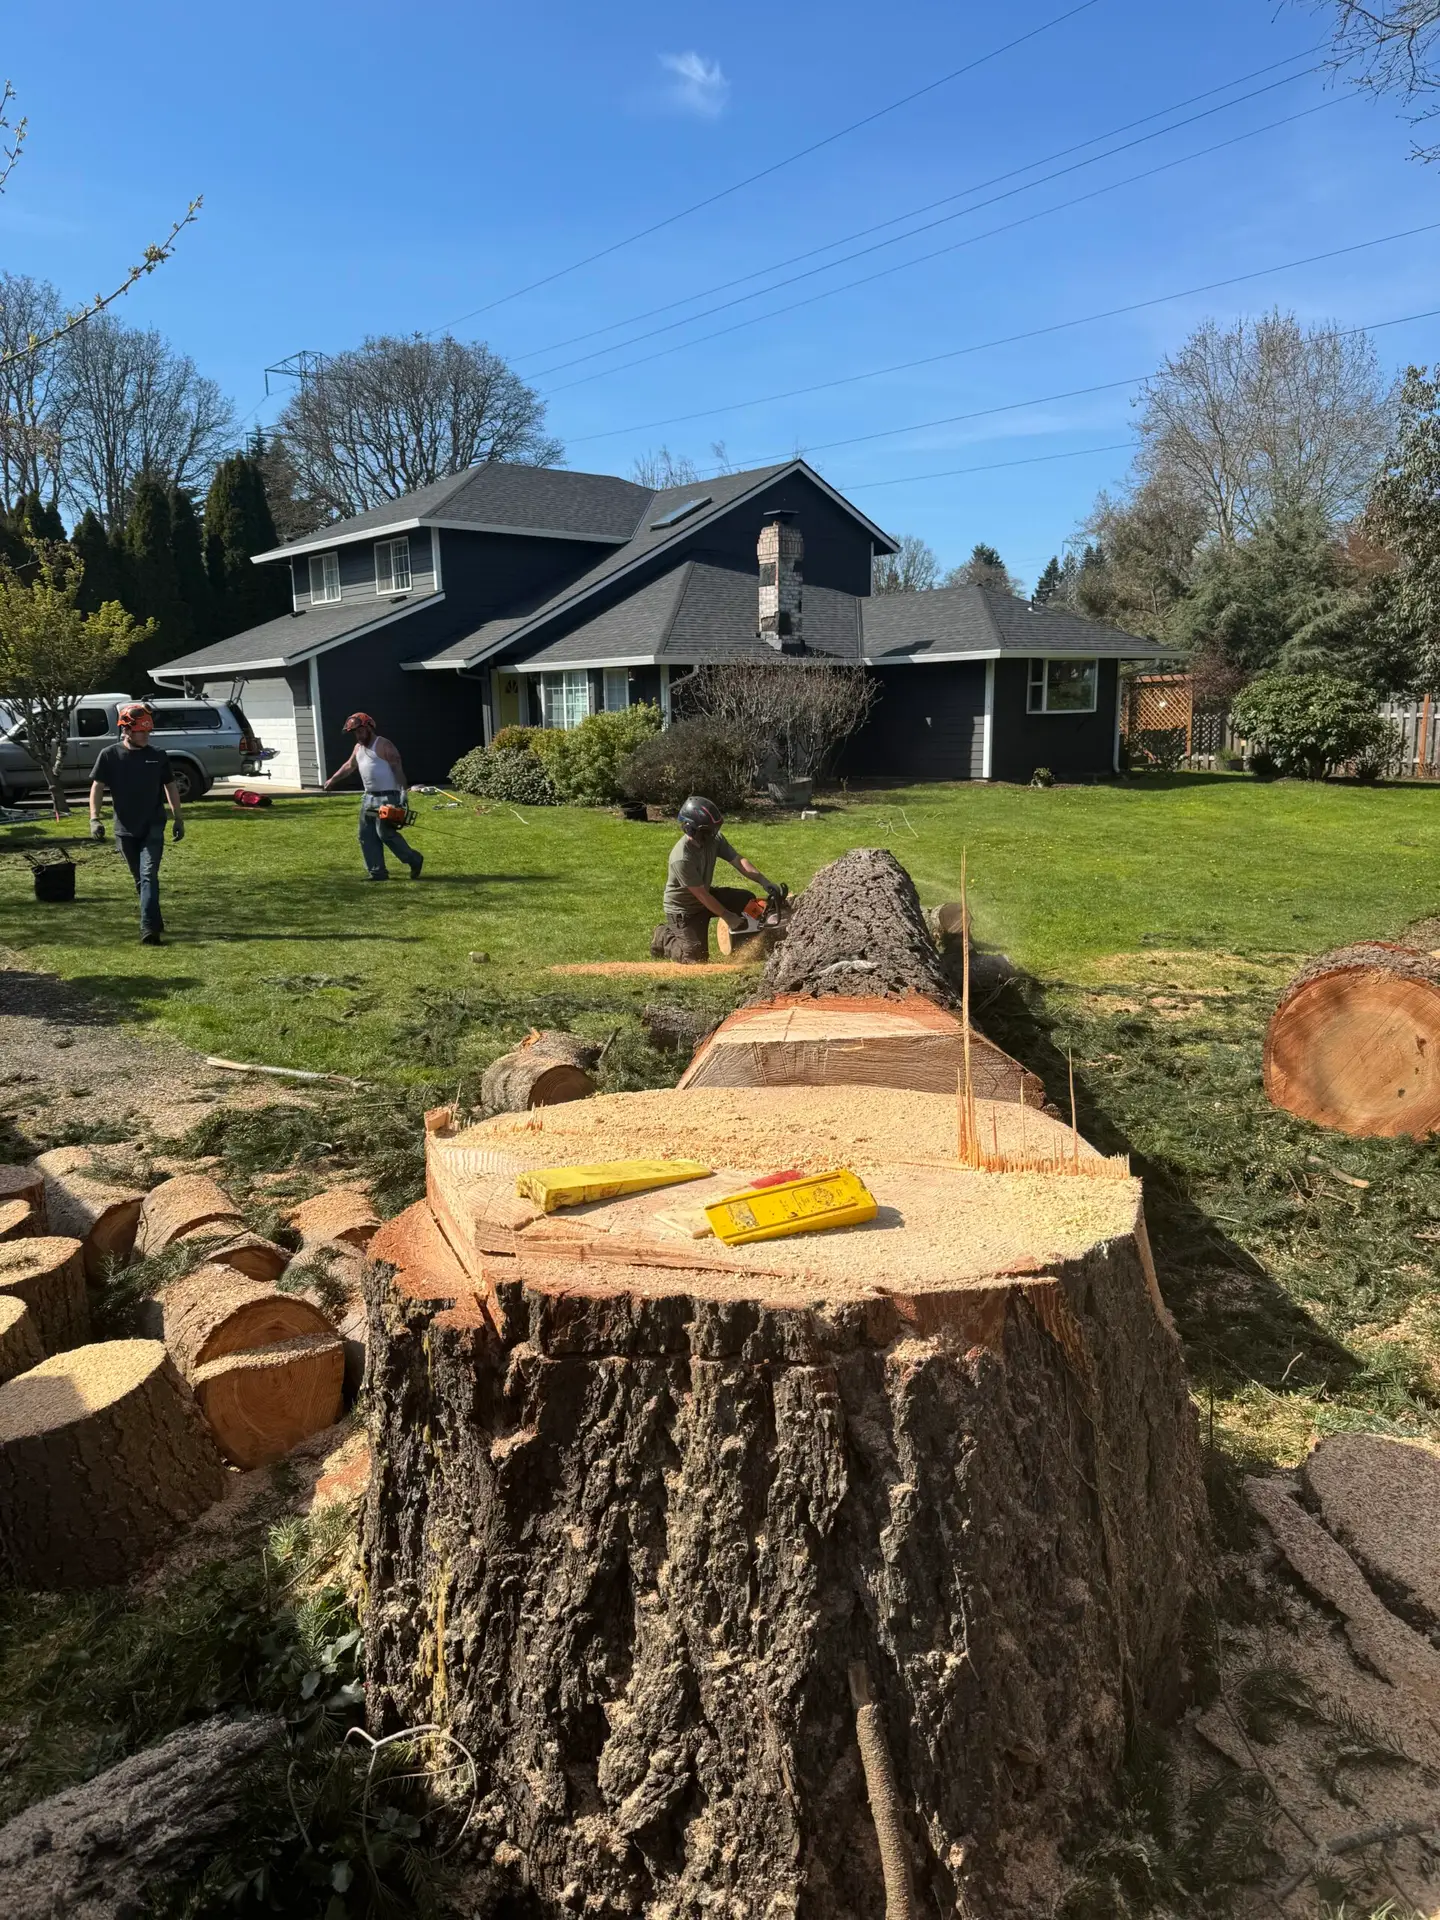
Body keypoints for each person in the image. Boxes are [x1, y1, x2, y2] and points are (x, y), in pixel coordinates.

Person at [88, 703, 184, 946]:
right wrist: (94, 818)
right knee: (140, 879)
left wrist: (178, 817)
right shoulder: (109, 755)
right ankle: (155, 918)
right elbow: (97, 787)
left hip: (153, 823)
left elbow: (170, 786)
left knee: (149, 874)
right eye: (143, 732)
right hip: (125, 828)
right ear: (127, 730)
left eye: (149, 732)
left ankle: (148, 928)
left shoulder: (157, 756)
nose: (147, 736)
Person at [650, 795, 782, 962]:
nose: (713, 834)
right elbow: (701, 896)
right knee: (695, 957)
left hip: (704, 895)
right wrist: (727, 916)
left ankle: (753, 939)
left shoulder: (713, 840)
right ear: (691, 829)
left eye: (714, 830)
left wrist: (765, 882)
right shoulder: (682, 858)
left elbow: (739, 861)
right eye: (708, 831)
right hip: (685, 910)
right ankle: (664, 936)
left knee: (745, 899)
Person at [323, 712, 423, 881]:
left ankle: (414, 859)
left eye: (360, 731)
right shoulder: (358, 747)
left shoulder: (384, 744)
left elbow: (397, 768)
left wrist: (403, 792)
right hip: (369, 798)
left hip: (388, 797)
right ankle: (377, 872)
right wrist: (332, 779)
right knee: (366, 835)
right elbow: (349, 765)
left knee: (385, 833)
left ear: (369, 727)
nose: (358, 735)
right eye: (355, 733)